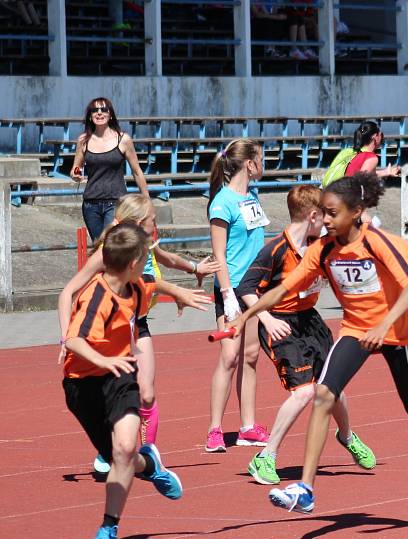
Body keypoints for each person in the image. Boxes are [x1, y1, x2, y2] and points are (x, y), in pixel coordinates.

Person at [227, 172, 408, 513]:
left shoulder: (378, 243)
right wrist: (247, 315)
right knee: (323, 394)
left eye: (332, 213)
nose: (324, 220)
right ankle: (306, 489)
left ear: (355, 211)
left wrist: (384, 325)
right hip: (356, 330)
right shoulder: (322, 250)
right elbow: (281, 289)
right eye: (321, 213)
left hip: (395, 330)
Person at [58, 193, 217, 472]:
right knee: (112, 393)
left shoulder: (145, 245)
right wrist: (65, 337)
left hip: (138, 323)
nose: (156, 226)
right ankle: (113, 448)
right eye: (153, 220)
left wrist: (193, 270)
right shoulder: (111, 252)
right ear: (139, 222)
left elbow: (161, 266)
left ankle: (148, 456)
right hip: (112, 330)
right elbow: (67, 292)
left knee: (146, 394)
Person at [237, 184, 376, 485]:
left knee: (332, 386)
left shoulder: (321, 246)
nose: (327, 221)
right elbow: (245, 289)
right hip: (281, 324)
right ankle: (266, 457)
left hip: (310, 321)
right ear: (312, 215)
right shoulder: (274, 250)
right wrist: (266, 318)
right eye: (324, 215)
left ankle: (347, 436)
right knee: (304, 392)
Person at [62, 223, 183, 539]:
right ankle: (151, 465)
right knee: (123, 459)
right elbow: (72, 339)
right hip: (83, 384)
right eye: (145, 258)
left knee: (125, 448)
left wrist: (182, 293)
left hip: (120, 377)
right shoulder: (96, 295)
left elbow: (153, 283)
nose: (147, 264)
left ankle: (108, 530)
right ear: (132, 263)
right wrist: (102, 358)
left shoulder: (136, 286)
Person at [206, 138, 271, 452]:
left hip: (254, 287)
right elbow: (218, 254)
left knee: (250, 356)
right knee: (229, 356)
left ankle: (247, 427)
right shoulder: (222, 203)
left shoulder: (253, 195)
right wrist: (228, 293)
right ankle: (215, 429)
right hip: (231, 289)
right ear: (249, 163)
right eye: (261, 158)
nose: (264, 163)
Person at [71, 97, 149, 241]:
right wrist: (75, 174)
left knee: (112, 244)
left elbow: (137, 171)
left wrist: (147, 201)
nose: (99, 113)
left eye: (103, 109)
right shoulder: (83, 140)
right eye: (95, 110)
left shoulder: (123, 139)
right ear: (90, 115)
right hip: (90, 204)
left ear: (110, 114)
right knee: (99, 247)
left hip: (116, 203)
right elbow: (76, 167)